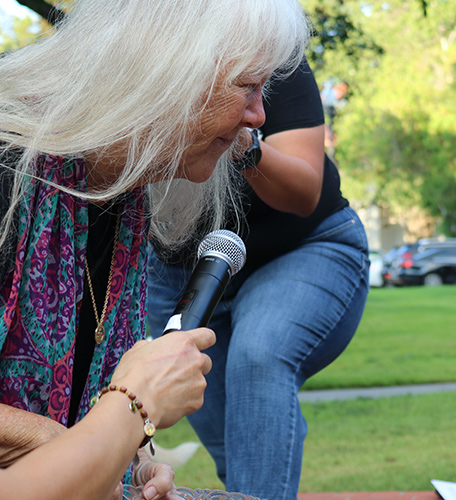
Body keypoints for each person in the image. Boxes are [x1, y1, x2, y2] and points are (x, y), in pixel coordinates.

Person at [0, 0, 310, 498]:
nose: (259, 115)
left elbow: (110, 399)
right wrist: (86, 447)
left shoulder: (127, 199)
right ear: (169, 72)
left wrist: (138, 461)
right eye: (247, 86)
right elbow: (117, 409)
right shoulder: (8, 170)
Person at [146, 57, 370, 499]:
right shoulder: (143, 60)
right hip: (179, 268)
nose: (258, 108)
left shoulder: (276, 60)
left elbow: (306, 192)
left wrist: (242, 141)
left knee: (259, 355)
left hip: (305, 247)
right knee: (237, 447)